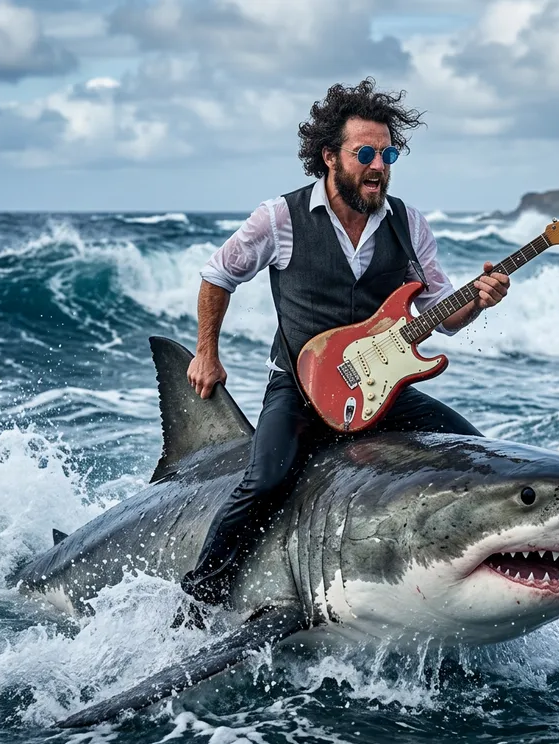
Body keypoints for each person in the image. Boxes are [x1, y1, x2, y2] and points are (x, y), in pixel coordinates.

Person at [182, 78, 510, 606]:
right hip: (301, 389)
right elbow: (218, 275)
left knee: (476, 458)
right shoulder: (281, 217)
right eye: (365, 153)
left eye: (388, 154)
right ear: (329, 156)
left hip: (381, 388)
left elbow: (443, 315)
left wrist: (478, 300)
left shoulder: (408, 224)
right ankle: (200, 599)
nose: (379, 165)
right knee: (265, 482)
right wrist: (206, 353)